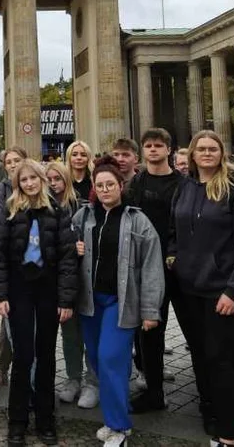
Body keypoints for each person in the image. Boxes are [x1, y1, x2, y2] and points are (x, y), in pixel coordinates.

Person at [169, 130, 234, 446]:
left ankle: (227, 436)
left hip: (224, 291)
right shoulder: (185, 187)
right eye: (201, 149)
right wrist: (173, 257)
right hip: (191, 288)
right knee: (229, 359)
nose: (207, 153)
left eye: (213, 149)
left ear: (222, 154)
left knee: (219, 360)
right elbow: (174, 228)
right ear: (192, 155)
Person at [75, 157, 164, 447]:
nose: (104, 189)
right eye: (99, 185)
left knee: (111, 359)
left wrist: (151, 310)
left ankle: (119, 427)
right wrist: (72, 248)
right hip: (89, 302)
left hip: (121, 301)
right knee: (100, 363)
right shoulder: (83, 217)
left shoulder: (137, 219)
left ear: (120, 185)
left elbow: (152, 266)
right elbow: (63, 251)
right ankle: (114, 415)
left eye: (109, 184)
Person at [0, 159, 76, 446]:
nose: (28, 184)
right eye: (23, 180)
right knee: (23, 355)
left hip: (48, 288)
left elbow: (66, 258)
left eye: (33, 179)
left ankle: (45, 419)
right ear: (17, 183)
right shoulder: (10, 211)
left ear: (41, 179)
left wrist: (66, 299)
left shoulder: (58, 210)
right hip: (19, 289)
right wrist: (0, 295)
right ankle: (17, 420)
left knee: (47, 355)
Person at [124, 128, 184, 415]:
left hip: (178, 267)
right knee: (150, 333)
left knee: (194, 330)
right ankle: (154, 391)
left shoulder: (183, 183)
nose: (153, 150)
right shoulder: (135, 183)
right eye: (148, 145)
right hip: (147, 267)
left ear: (168, 149)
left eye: (158, 145)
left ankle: (209, 394)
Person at [50, 160, 97, 408]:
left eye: (58, 178)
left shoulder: (80, 205)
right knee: (69, 333)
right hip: (57, 280)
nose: (53, 183)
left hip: (83, 277)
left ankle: (92, 380)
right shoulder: (41, 206)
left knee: (89, 331)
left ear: (66, 180)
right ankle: (73, 378)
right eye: (49, 178)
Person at [0, 145, 28, 387]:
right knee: (8, 321)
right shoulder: (0, 191)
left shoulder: (34, 185)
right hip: (12, 263)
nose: (12, 165)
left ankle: (24, 370)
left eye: (17, 160)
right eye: (9, 161)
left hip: (34, 264)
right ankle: (3, 368)